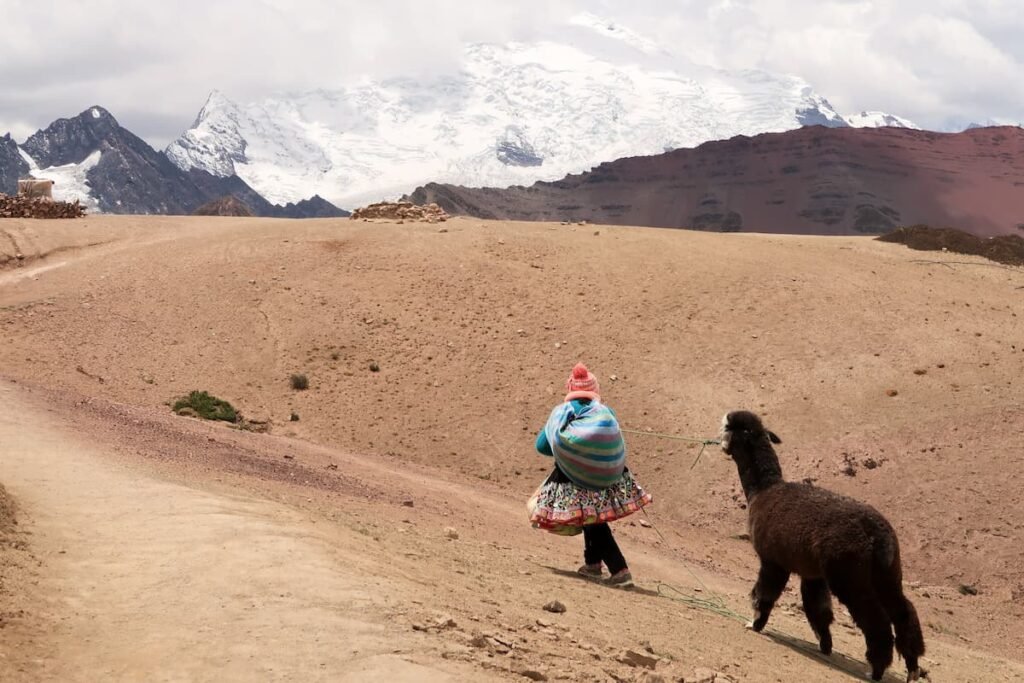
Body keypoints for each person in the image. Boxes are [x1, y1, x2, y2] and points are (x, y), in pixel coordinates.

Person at [529, 363, 652, 588]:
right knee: (592, 516)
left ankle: (619, 570)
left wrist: (570, 453)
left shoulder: (563, 412)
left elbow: (542, 446)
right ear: (594, 389)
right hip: (607, 478)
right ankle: (593, 565)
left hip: (574, 479)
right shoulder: (605, 412)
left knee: (593, 520)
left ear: (570, 388)